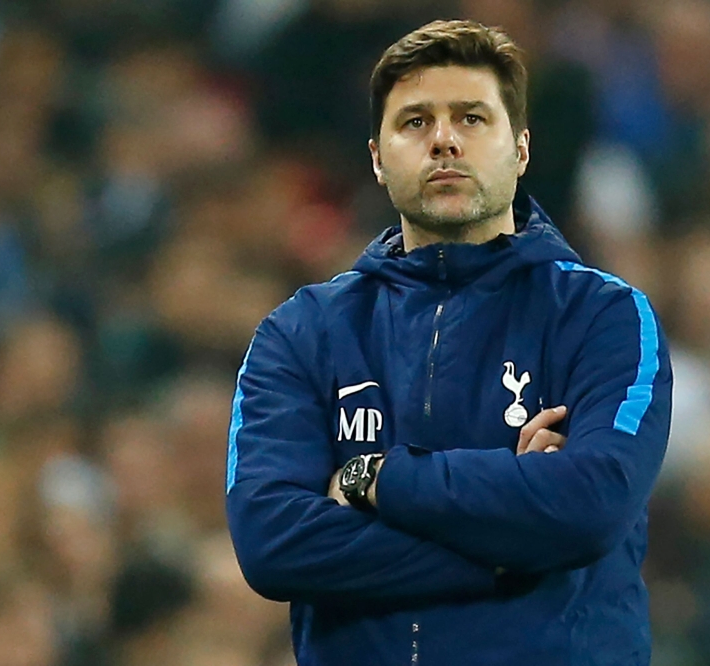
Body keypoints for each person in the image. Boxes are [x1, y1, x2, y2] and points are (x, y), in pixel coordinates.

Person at [226, 19, 672, 666]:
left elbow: (593, 502)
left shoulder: (602, 316)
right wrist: (511, 545)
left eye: (472, 118)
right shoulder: (302, 333)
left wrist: (375, 478)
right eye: (415, 122)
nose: (443, 140)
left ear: (520, 149)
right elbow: (272, 543)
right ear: (377, 158)